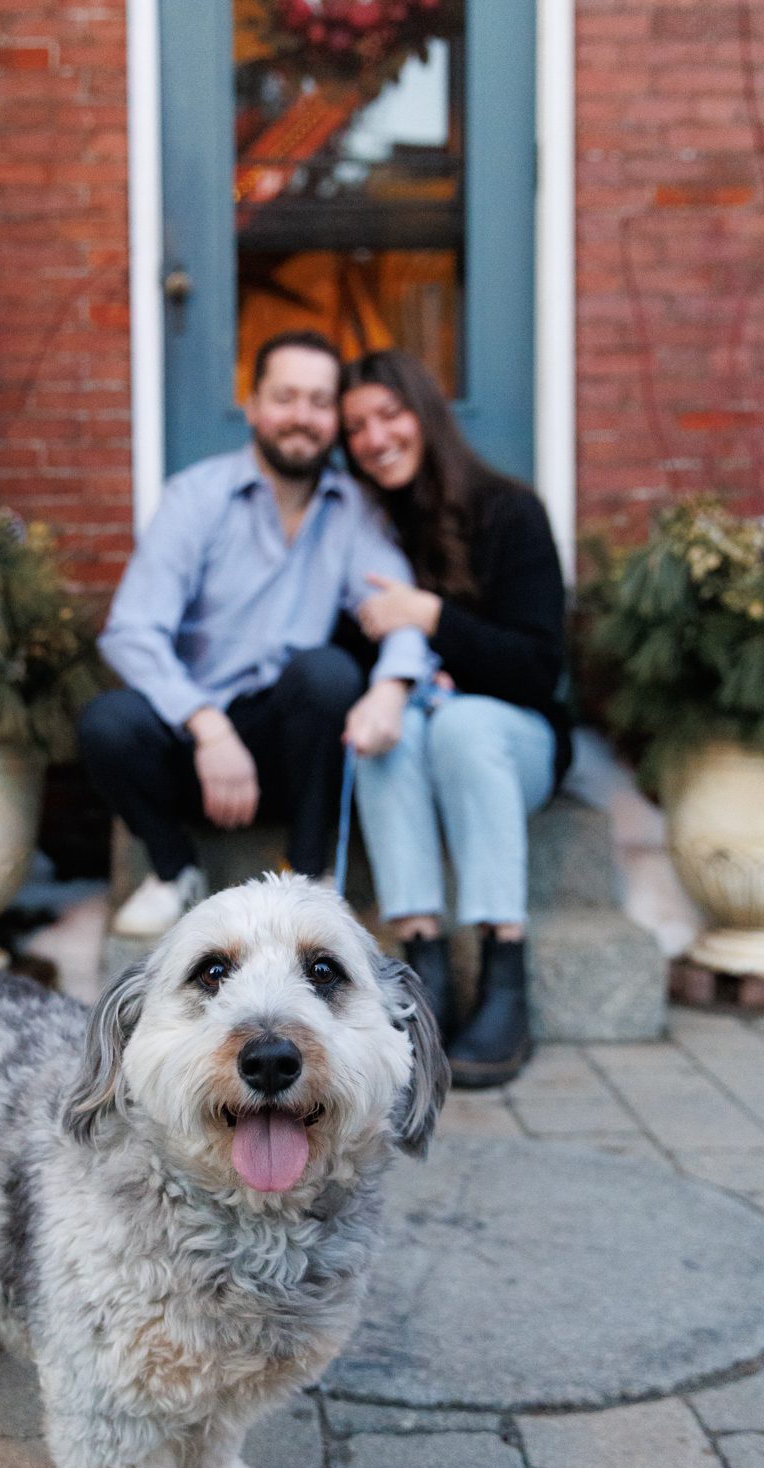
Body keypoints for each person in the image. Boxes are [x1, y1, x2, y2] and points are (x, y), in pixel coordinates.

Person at [80, 330, 436, 937]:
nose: (302, 417)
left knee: (329, 673)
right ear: (252, 406)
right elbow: (131, 632)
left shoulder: (352, 509)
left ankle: (307, 878)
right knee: (107, 723)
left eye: (320, 402)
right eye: (285, 397)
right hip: (195, 745)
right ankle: (174, 870)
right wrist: (207, 725)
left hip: (292, 748)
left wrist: (394, 686)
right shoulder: (196, 499)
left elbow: (397, 609)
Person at [338, 347, 571, 1088]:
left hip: (514, 745)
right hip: (416, 750)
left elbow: (538, 669)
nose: (375, 438)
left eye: (389, 415)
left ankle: (505, 972)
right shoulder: (363, 533)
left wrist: (430, 617)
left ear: (425, 415)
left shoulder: (511, 512)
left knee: (466, 725)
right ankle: (423, 970)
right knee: (391, 731)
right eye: (357, 427)